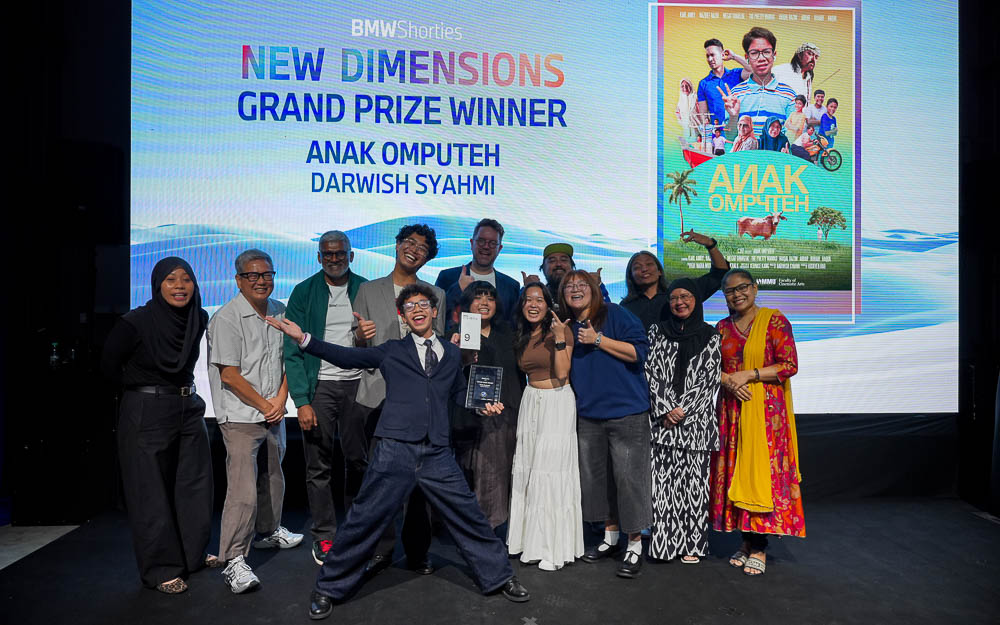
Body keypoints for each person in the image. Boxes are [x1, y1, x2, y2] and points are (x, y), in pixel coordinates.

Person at [266, 285, 531, 620]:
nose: (417, 310)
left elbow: (459, 392)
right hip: (395, 449)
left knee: (469, 515)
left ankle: (500, 577)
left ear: (434, 311)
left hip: (437, 451)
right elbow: (347, 357)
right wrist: (305, 339)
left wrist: (480, 406)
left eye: (422, 304)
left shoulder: (452, 354)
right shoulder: (392, 350)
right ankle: (329, 587)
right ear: (402, 316)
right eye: (409, 306)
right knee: (364, 519)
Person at [100, 257, 212, 594]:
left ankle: (192, 555)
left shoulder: (198, 317)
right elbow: (108, 367)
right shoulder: (134, 322)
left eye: (186, 279)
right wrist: (141, 390)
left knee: (194, 485)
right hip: (147, 408)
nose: (180, 286)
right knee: (150, 491)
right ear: (157, 285)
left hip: (188, 406)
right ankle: (161, 568)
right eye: (171, 279)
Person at [351, 224, 446, 575]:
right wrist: (361, 338)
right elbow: (356, 346)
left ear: (427, 257)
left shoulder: (436, 294)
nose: (414, 249)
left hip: (420, 402)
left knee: (420, 483)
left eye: (422, 247)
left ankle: (418, 551)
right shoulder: (367, 289)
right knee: (380, 481)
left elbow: (438, 346)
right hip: (378, 396)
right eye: (409, 242)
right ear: (396, 245)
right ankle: (381, 549)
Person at [207, 249, 302, 593]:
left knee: (274, 477)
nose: (261, 281)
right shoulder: (227, 318)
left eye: (267, 274)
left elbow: (290, 358)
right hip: (241, 416)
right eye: (253, 275)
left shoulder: (280, 311)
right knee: (243, 491)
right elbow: (230, 375)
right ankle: (233, 560)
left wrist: (280, 401)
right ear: (239, 280)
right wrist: (266, 405)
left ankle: (269, 530)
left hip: (273, 410)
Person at [710, 269, 804, 577]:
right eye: (730, 291)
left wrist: (748, 375)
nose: (737, 294)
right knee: (736, 472)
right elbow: (709, 367)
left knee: (761, 474)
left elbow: (789, 365)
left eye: (742, 288)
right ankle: (745, 541)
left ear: (755, 288)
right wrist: (728, 380)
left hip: (765, 415)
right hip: (731, 411)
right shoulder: (722, 328)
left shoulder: (774, 321)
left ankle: (760, 545)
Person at [284, 231, 369, 566]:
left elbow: (379, 341)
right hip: (320, 387)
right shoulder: (304, 291)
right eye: (328, 254)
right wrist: (301, 401)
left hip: (358, 386)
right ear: (319, 257)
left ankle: (357, 531)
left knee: (359, 461)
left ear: (351, 256)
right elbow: (292, 349)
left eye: (340, 253)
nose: (334, 259)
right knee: (318, 465)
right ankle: (324, 535)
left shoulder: (366, 289)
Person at [560, 270, 652, 579]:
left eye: (581, 284)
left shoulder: (615, 313)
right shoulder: (566, 326)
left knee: (629, 480)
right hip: (588, 415)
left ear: (595, 289)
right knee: (597, 481)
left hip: (627, 413)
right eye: (569, 286)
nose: (575, 289)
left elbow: (639, 352)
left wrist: (598, 340)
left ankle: (634, 543)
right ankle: (610, 537)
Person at [506, 282, 583, 571]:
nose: (533, 304)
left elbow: (563, 373)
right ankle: (527, 542)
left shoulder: (560, 331)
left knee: (550, 473)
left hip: (556, 402)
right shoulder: (522, 335)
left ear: (549, 304)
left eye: (539, 299)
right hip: (531, 401)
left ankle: (553, 548)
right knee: (529, 471)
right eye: (528, 299)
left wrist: (561, 339)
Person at [645, 279, 721, 563]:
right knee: (663, 488)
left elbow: (709, 378)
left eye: (686, 296)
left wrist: (682, 410)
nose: (680, 302)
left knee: (694, 488)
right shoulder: (656, 331)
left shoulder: (711, 335)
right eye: (674, 297)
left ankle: (693, 545)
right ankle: (664, 544)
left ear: (696, 300)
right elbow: (650, 371)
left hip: (697, 426)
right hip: (662, 425)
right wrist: (666, 408)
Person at [448, 281, 524, 531]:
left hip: (506, 414)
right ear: (466, 304)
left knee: (497, 477)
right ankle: (475, 532)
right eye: (478, 297)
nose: (484, 302)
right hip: (468, 418)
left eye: (490, 298)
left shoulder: (508, 333)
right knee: (470, 477)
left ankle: (490, 531)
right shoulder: (456, 335)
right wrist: (457, 353)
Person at [621, 231, 730, 330]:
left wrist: (710, 244)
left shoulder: (683, 293)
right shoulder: (625, 307)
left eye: (649, 264)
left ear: (659, 271)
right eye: (637, 267)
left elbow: (720, 273)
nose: (644, 269)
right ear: (630, 275)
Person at [435, 218, 521, 327]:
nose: (486, 246)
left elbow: (513, 325)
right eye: (481, 241)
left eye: (492, 243)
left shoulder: (511, 286)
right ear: (472, 243)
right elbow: (436, 315)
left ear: (499, 248)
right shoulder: (447, 277)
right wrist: (458, 288)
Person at [721, 27, 797, 136]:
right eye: (754, 53)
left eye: (766, 52)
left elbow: (793, 136)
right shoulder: (736, 94)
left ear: (774, 55)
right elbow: (730, 136)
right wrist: (733, 117)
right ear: (747, 57)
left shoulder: (789, 95)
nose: (761, 58)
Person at [520, 243, 610, 312]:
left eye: (564, 260)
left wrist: (598, 287)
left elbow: (608, 316)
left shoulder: (584, 296)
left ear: (572, 266)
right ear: (543, 268)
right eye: (552, 261)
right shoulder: (538, 295)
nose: (558, 264)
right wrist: (527, 289)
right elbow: (517, 317)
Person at [695, 39, 749, 132]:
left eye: (712, 55)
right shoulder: (703, 83)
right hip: (718, 133)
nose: (710, 59)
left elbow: (754, 70)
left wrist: (734, 56)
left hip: (739, 132)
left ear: (722, 54)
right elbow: (703, 115)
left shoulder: (736, 74)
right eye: (707, 56)